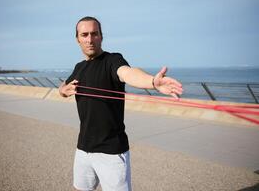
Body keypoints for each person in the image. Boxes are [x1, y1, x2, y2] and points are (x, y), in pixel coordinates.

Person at [59, 16, 183, 191]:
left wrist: (152, 82)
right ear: (77, 39)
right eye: (84, 35)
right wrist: (62, 91)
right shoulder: (79, 67)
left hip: (112, 152)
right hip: (83, 148)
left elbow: (127, 73)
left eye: (94, 34)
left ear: (101, 36)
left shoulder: (112, 60)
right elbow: (64, 85)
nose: (90, 39)